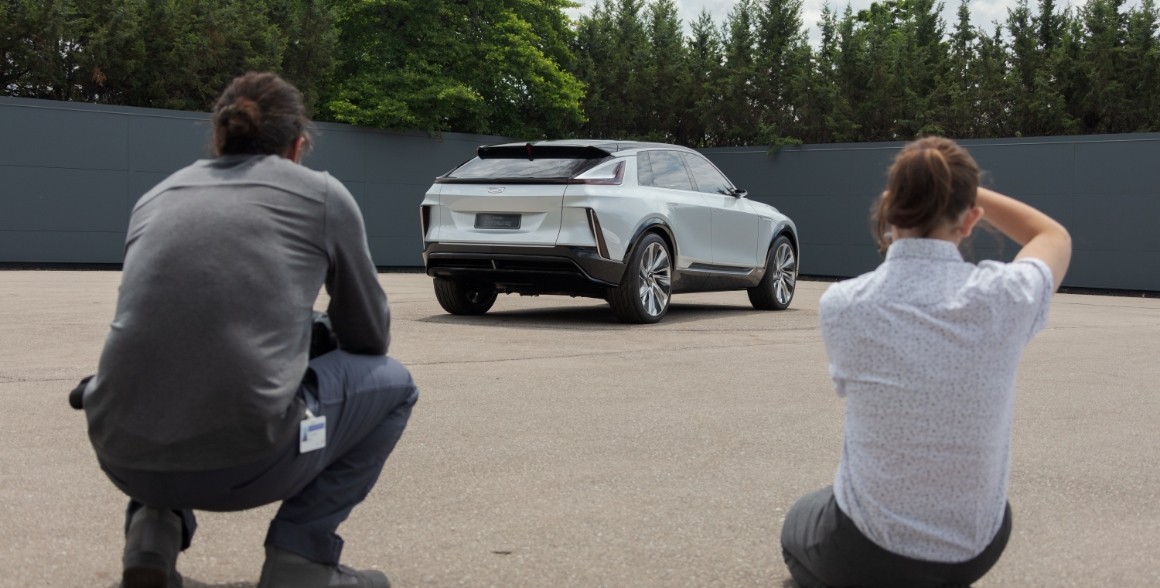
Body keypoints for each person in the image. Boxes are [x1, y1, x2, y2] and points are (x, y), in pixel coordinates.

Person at [78, 71, 418, 588]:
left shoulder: (159, 195)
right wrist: (306, 337)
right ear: (297, 146)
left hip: (122, 455)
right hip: (247, 463)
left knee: (172, 355)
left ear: (218, 138)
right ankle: (301, 558)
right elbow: (368, 338)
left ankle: (151, 537)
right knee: (395, 384)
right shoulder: (322, 195)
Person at [779, 136, 1072, 587]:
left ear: (889, 206)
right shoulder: (1005, 297)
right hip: (975, 550)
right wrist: (959, 192)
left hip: (867, 551)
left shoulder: (844, 304)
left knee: (800, 521)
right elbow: (1051, 236)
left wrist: (929, 187)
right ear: (971, 218)